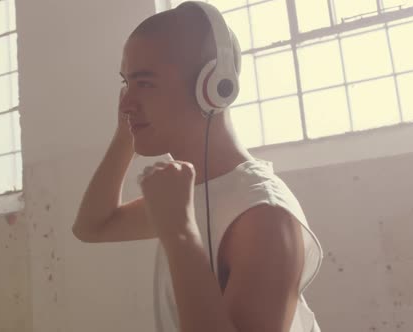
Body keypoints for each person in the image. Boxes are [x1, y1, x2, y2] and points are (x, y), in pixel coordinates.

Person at [73, 2, 323, 331]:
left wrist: (180, 234)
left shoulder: (263, 216)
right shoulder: (192, 193)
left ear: (212, 89)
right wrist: (127, 132)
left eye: (144, 83)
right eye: (125, 84)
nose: (126, 103)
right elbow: (93, 226)